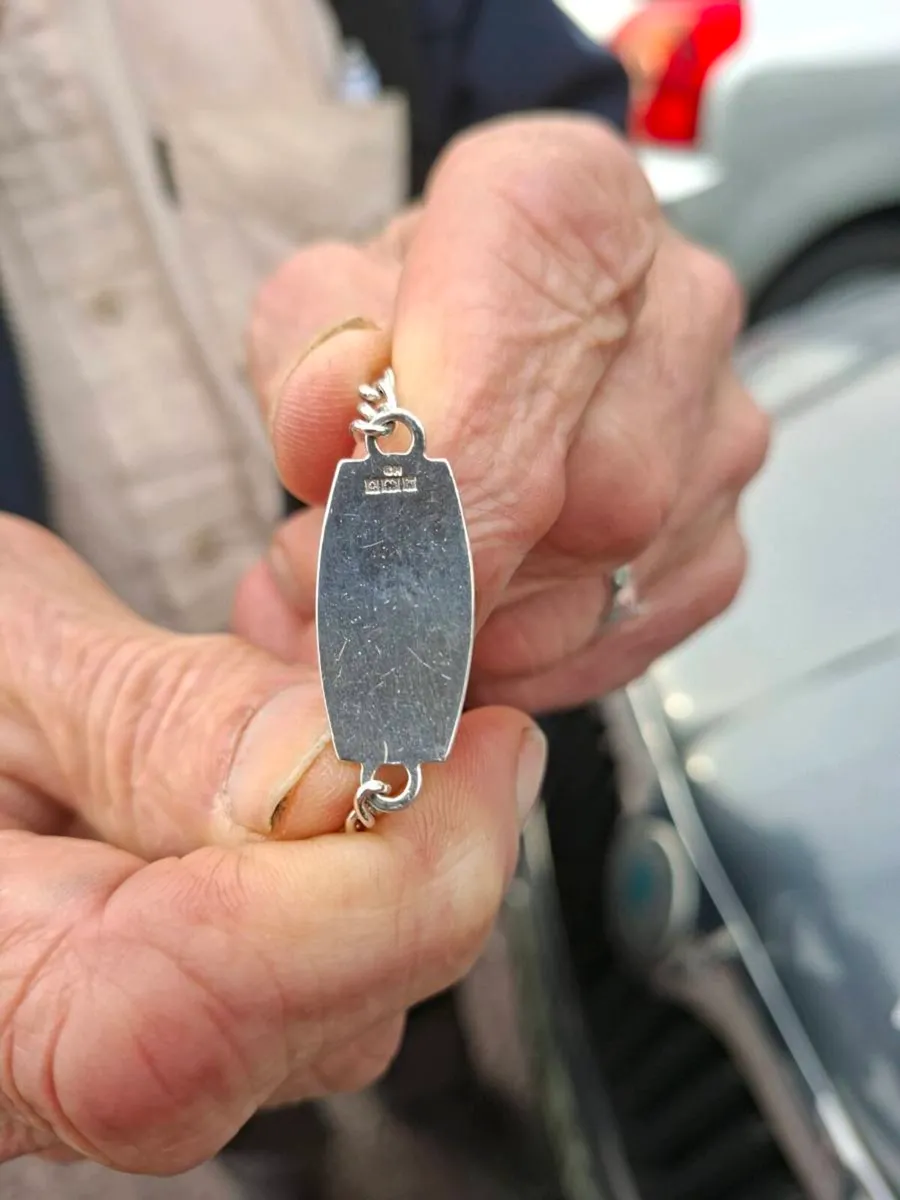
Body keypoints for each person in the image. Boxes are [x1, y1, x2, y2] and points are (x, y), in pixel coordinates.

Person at [0, 0, 770, 1195]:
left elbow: (552, 126)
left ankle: (461, 1105)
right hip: (99, 1021)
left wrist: (609, 311)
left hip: (497, 860)